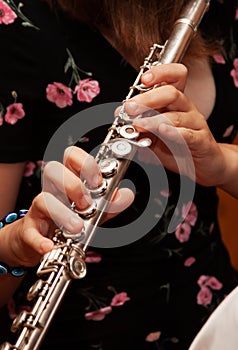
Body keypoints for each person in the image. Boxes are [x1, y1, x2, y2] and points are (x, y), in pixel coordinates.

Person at [0, 0, 237, 349]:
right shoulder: (17, 22)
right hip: (80, 334)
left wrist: (221, 164)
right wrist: (18, 243)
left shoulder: (217, 8)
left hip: (212, 321)